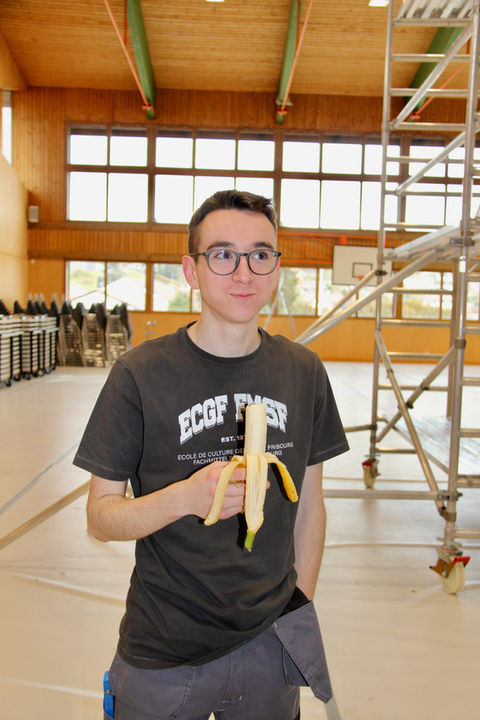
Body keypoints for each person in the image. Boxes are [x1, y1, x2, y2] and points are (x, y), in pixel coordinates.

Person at [74, 190, 349, 720]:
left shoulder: (304, 372)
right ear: (192, 270)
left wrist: (297, 605)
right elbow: (99, 518)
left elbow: (310, 507)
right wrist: (185, 498)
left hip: (271, 645)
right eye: (223, 254)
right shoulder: (139, 374)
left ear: (275, 268)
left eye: (260, 254)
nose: (244, 273)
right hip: (163, 652)